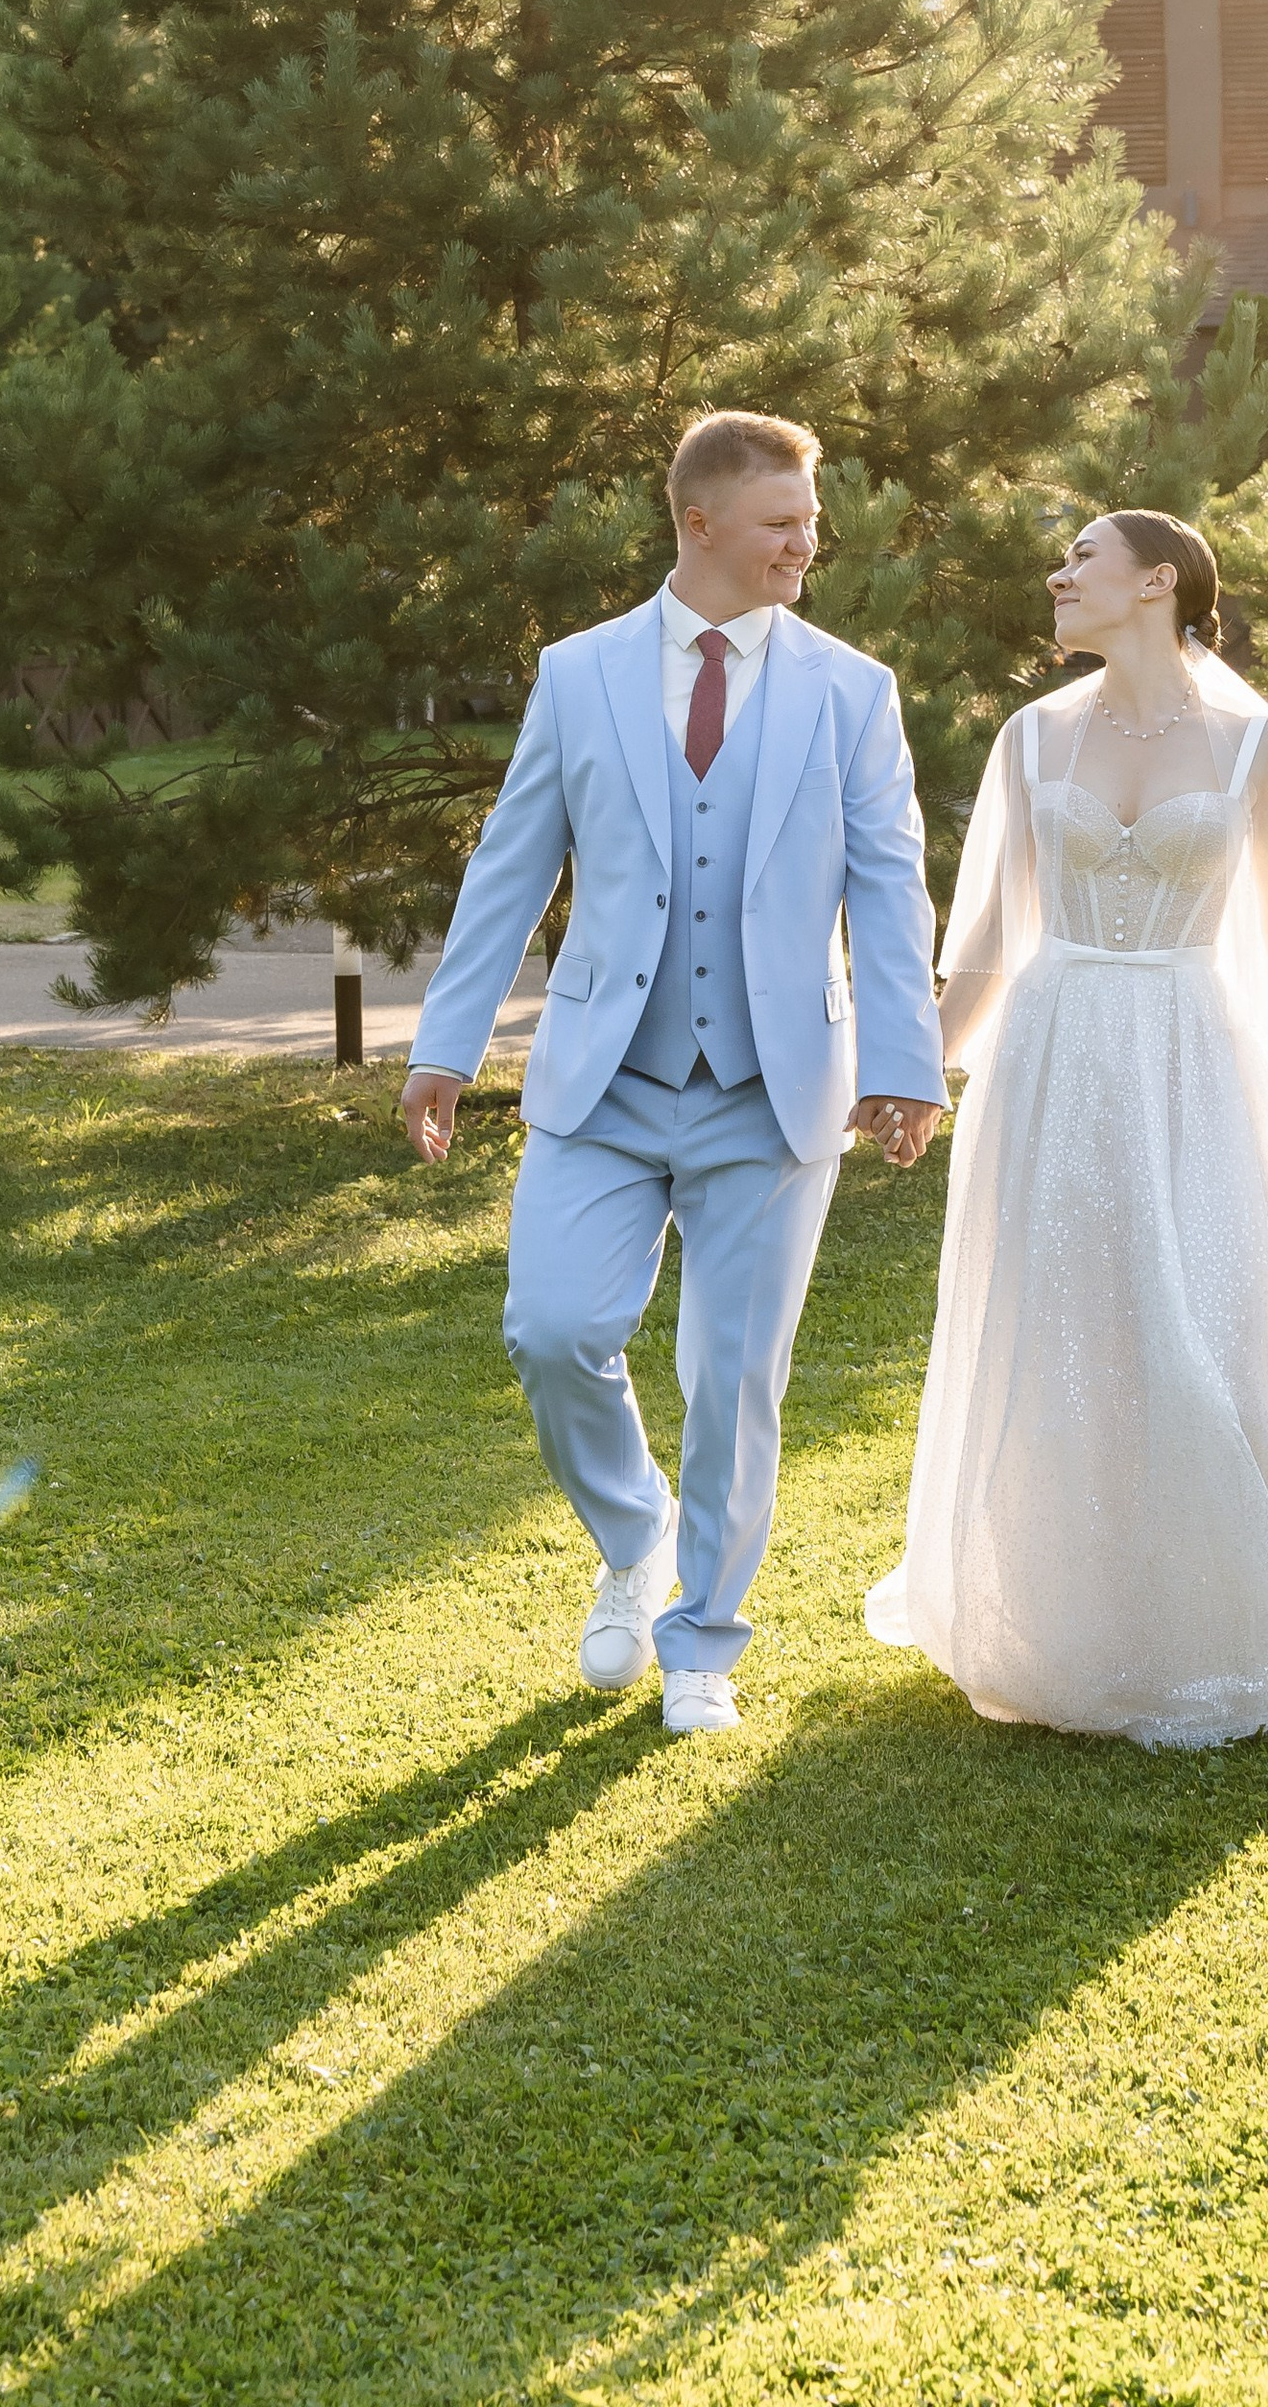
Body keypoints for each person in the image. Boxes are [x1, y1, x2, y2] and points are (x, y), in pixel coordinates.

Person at [866, 509, 1268, 1747]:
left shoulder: (1256, 748)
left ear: (1156, 583)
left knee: (1214, 1310)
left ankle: (1240, 1602)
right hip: (1056, 1054)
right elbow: (983, 941)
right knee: (1072, 1319)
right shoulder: (1030, 739)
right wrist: (925, 1073)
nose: (1057, 574)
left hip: (1196, 1052)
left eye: (1080, 558)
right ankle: (1080, 1617)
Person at [400, 413, 947, 1736]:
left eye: (810, 523)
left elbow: (888, 888)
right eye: (781, 523)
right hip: (604, 1081)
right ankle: (634, 1537)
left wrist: (905, 1062)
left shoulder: (849, 690)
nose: (806, 544)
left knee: (734, 1379)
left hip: (774, 1092)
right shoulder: (580, 676)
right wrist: (445, 1043)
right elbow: (513, 863)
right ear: (698, 522)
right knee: (553, 1330)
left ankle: (704, 1639)